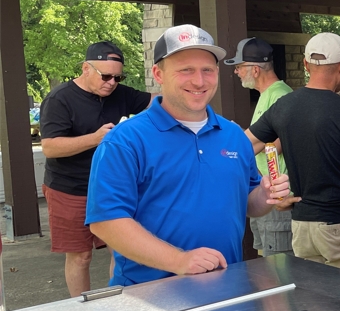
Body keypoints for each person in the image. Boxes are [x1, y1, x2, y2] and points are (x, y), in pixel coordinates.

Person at [86, 25, 289, 286]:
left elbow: (249, 202)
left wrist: (265, 194)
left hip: (224, 284)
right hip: (148, 293)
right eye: (186, 70)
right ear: (158, 74)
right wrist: (179, 261)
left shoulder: (234, 136)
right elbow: (106, 221)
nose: (199, 81)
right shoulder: (125, 140)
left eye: (207, 70)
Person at [247, 33, 340, 270]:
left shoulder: (283, 105)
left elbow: (243, 147)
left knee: (313, 290)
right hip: (339, 225)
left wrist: (270, 192)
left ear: (305, 64)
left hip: (301, 224)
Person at [39, 41, 151, 296]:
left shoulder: (120, 93)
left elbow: (158, 101)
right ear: (86, 69)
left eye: (118, 77)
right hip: (70, 188)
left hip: (111, 186)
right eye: (106, 76)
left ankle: (120, 304)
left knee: (122, 250)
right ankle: (81, 310)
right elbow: (50, 147)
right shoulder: (60, 98)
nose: (111, 83)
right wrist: (96, 138)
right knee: (81, 256)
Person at [226, 37, 295, 256]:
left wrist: (244, 142)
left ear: (255, 70)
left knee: (279, 267)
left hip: (278, 194)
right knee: (265, 262)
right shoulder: (268, 95)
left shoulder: (280, 95)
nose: (236, 72)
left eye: (239, 67)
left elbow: (281, 143)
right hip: (265, 193)